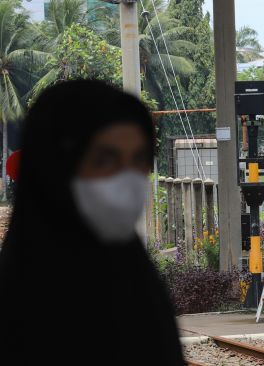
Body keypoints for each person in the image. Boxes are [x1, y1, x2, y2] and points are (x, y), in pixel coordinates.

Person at [0, 80, 185, 365]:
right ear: (56, 167)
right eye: (105, 160)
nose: (127, 179)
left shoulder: (137, 284)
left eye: (138, 159)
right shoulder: (15, 305)